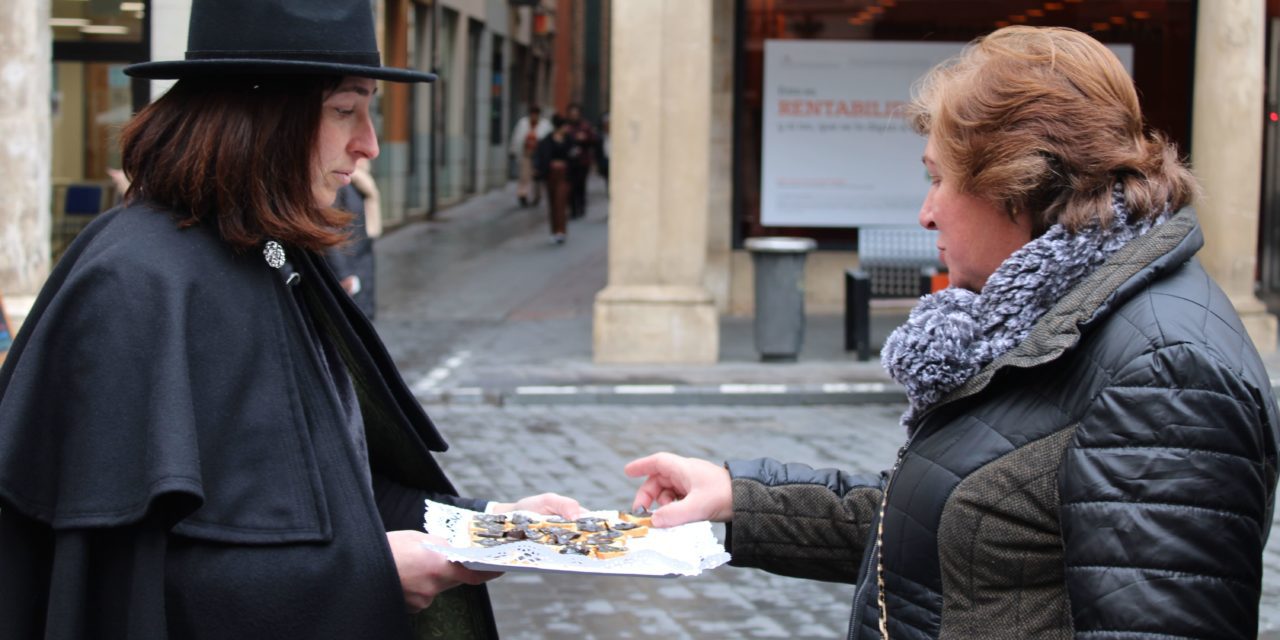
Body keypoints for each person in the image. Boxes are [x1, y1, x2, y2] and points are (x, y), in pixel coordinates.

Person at [625, 26, 1280, 640]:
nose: (926, 212)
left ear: (1017, 185)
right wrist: (743, 499)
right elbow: (954, 528)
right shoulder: (1044, 317)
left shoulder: (1166, 375)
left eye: (939, 179)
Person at [0, 1, 580, 638]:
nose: (369, 145)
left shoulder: (274, 250)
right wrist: (366, 576)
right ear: (259, 116)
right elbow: (115, 590)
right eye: (343, 110)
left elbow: (332, 489)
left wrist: (495, 525)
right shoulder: (135, 282)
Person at [325, 157, 381, 318]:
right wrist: (342, 273)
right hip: (349, 266)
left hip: (361, 260)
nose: (371, 152)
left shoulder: (360, 179)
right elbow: (328, 229)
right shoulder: (341, 182)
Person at [533, 114, 575, 244]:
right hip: (551, 174)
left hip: (565, 174)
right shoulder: (547, 140)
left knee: (560, 202)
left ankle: (561, 230)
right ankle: (554, 229)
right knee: (552, 202)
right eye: (565, 126)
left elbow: (574, 156)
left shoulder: (569, 140)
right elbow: (541, 156)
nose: (567, 128)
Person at [509, 105, 553, 207]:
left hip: (539, 156)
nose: (534, 116)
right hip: (526, 154)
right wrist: (513, 150)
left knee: (536, 177)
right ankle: (522, 195)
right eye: (532, 114)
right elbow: (516, 137)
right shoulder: (523, 123)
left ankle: (536, 196)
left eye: (535, 114)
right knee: (524, 176)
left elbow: (548, 140)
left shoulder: (545, 125)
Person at [563, 102, 597, 220]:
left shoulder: (585, 126)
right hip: (569, 161)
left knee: (581, 185)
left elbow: (594, 140)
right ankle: (573, 209)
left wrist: (585, 138)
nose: (574, 116)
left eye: (576, 114)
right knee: (570, 185)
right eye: (572, 114)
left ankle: (581, 207)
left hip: (583, 161)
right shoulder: (566, 127)